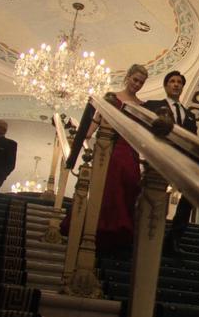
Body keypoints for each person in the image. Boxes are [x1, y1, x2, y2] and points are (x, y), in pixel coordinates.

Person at [62, 64, 148, 253]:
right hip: (110, 148)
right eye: (135, 80)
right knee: (108, 186)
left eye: (141, 82)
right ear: (127, 77)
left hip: (130, 151)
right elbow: (96, 121)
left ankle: (119, 233)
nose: (137, 84)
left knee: (130, 185)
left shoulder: (142, 105)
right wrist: (84, 137)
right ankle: (97, 229)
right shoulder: (111, 97)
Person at [144, 70, 199, 256]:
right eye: (172, 81)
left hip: (181, 161)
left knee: (192, 193)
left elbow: (193, 141)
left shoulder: (190, 115)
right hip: (158, 157)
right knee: (152, 193)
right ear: (166, 85)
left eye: (179, 82)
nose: (176, 84)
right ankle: (146, 235)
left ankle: (174, 238)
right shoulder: (153, 105)